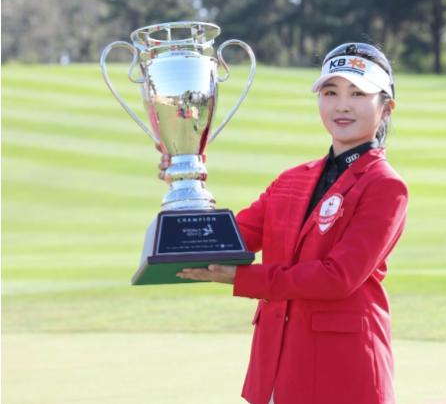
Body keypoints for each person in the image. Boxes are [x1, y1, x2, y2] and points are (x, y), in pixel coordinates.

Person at [163, 42, 408, 404]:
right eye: (330, 92)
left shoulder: (385, 185)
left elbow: (337, 277)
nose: (342, 104)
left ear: (386, 108)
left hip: (346, 373)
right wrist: (184, 183)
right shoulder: (292, 179)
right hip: (277, 368)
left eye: (358, 93)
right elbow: (232, 238)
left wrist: (242, 278)